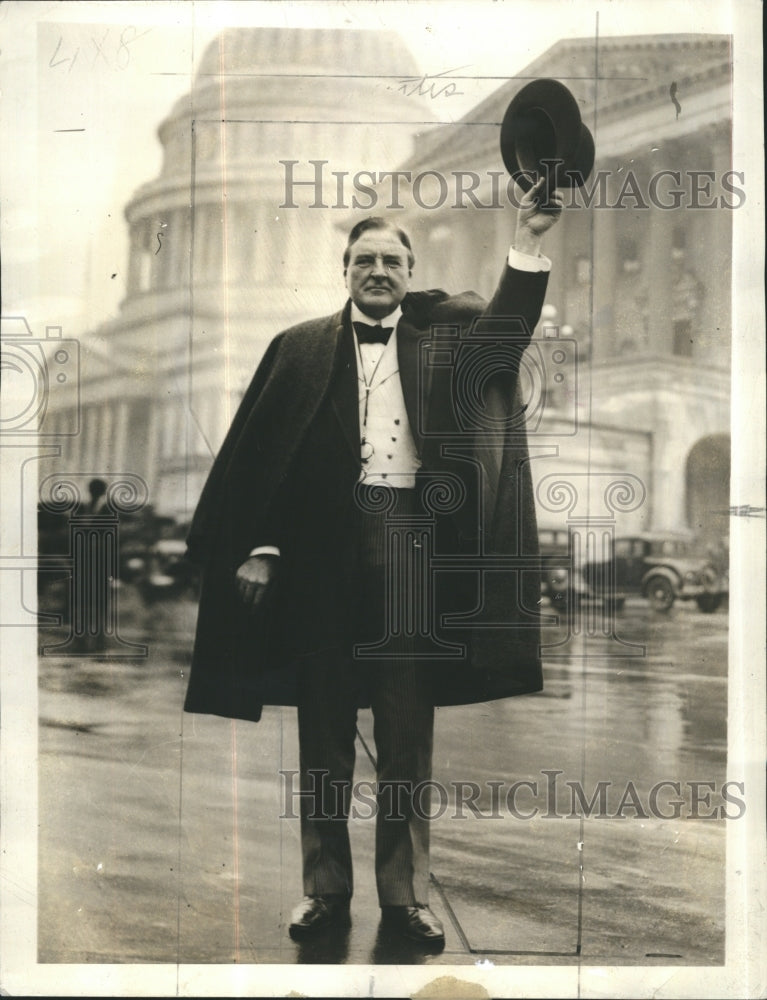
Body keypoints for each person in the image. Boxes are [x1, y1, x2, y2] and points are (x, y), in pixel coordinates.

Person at [183, 176, 563, 946]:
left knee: (403, 733)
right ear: (345, 269)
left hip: (411, 547)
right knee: (323, 732)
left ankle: (404, 898)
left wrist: (529, 239)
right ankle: (323, 891)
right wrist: (260, 547)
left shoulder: (452, 344)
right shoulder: (295, 349)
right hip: (320, 555)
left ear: (410, 269)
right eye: (364, 259)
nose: (378, 271)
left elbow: (511, 331)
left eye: (391, 258)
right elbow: (265, 461)